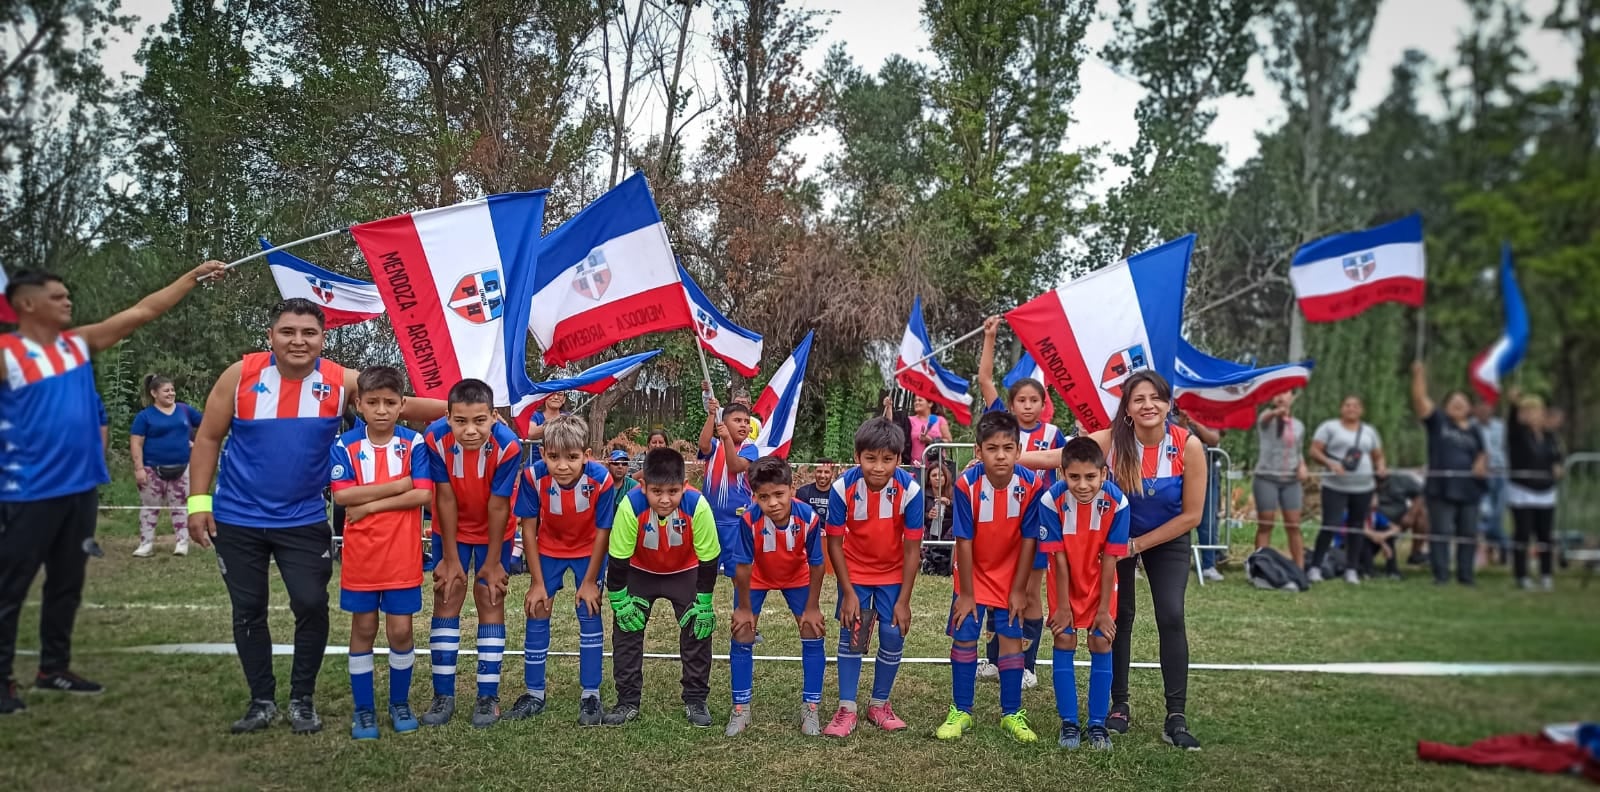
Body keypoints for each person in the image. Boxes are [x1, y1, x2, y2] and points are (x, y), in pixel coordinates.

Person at [186, 298, 444, 735]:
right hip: (238, 516)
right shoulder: (240, 375)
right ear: (271, 336)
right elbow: (208, 437)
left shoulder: (340, 380)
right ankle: (261, 700)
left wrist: (471, 416)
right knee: (248, 609)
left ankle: (302, 699)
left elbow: (403, 405)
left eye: (309, 333)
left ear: (323, 339)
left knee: (310, 604)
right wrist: (198, 502)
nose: (298, 341)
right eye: (288, 332)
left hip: (302, 518)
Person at [0, 261, 224, 716]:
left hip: (80, 490)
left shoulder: (76, 344)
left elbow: (142, 312)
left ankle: (53, 668)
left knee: (66, 583)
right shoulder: (6, 354)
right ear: (25, 304)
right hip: (25, 492)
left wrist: (191, 278)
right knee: (10, 588)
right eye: (57, 295)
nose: (67, 301)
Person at [1017, 370, 1205, 750]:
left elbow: (1192, 516)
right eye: (1138, 399)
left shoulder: (1189, 446)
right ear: (1128, 409)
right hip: (1116, 538)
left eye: (1155, 397)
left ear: (1168, 403)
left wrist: (1138, 546)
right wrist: (1006, 456)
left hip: (1164, 539)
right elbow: (1062, 456)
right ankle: (1118, 706)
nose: (1148, 405)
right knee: (1118, 617)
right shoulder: (1113, 440)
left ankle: (1176, 716)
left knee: (1170, 615)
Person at [329, 366, 433, 740]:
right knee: (364, 628)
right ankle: (363, 710)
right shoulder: (345, 446)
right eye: (373, 402)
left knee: (401, 631)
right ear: (359, 404)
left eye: (390, 402)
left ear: (402, 405)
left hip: (402, 556)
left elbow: (423, 493)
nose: (382, 409)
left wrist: (370, 505)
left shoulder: (414, 443)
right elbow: (343, 495)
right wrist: (400, 485)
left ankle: (398, 702)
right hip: (362, 558)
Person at [937, 410, 1052, 744]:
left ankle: (1012, 713)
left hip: (1011, 576)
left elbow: (1031, 539)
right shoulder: (965, 485)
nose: (1000, 455)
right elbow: (964, 539)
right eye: (992, 448)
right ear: (978, 451)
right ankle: (961, 710)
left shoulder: (1031, 485)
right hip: (973, 575)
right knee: (965, 634)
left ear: (1018, 450)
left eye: (1007, 448)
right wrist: (968, 593)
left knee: (1011, 640)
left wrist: (1021, 590)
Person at [419, 379, 522, 728]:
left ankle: (487, 696)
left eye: (479, 420)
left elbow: (498, 506)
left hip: (495, 530)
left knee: (490, 597)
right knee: (447, 596)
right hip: (451, 529)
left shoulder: (508, 446)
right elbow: (443, 498)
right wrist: (449, 558)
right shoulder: (434, 438)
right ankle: (443, 695)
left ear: (494, 417)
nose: (470, 430)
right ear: (447, 417)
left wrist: (493, 564)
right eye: (460, 421)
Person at [510, 415, 617, 726]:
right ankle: (534, 693)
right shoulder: (532, 478)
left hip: (589, 550)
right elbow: (528, 530)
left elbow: (603, 532)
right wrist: (536, 582)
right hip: (549, 549)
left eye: (572, 457)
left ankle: (591, 695)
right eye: (554, 457)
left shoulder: (602, 480)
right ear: (543, 454)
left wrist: (589, 582)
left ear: (587, 455)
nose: (563, 466)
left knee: (589, 607)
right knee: (538, 607)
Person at [976, 315, 1064, 688]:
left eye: (1034, 401)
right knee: (999, 589)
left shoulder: (1054, 433)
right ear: (1010, 405)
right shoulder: (1002, 427)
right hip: (1002, 522)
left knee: (1030, 592)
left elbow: (1062, 465)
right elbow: (984, 380)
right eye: (1021, 400)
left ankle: (1027, 664)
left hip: (1037, 521)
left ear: (1044, 405)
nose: (1027, 406)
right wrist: (991, 337)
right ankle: (996, 659)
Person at [603, 448, 720, 728]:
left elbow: (709, 558)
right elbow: (618, 560)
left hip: (685, 571)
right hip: (641, 571)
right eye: (656, 491)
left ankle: (695, 698)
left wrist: (704, 602)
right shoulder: (630, 506)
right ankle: (627, 701)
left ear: (685, 485)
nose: (665, 499)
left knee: (697, 627)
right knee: (627, 630)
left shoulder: (698, 504)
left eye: (673, 491)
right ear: (643, 485)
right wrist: (619, 601)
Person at [821, 417, 924, 737]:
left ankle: (879, 704)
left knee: (893, 634)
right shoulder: (843, 487)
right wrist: (848, 591)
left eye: (888, 459)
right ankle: (846, 708)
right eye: (871, 458)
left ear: (899, 458)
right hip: (855, 572)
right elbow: (834, 544)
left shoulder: (911, 490)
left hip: (893, 575)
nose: (879, 467)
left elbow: (912, 550)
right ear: (857, 456)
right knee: (854, 635)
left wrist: (904, 600)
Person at [725, 456, 827, 736]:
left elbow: (817, 563)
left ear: (792, 489)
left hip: (796, 576)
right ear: (755, 496)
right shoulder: (749, 520)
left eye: (779, 494)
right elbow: (743, 566)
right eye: (764, 497)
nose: (773, 503)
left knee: (812, 628)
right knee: (743, 630)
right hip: (758, 575)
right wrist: (744, 609)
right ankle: (740, 708)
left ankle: (811, 707)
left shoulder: (808, 517)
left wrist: (813, 606)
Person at [1040, 436, 1130, 751]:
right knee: (1064, 637)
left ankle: (1096, 724)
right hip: (1064, 580)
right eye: (1074, 477)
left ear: (1103, 474)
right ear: (1063, 473)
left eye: (1090, 477)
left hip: (1100, 581)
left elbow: (1111, 559)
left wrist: (1104, 610)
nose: (1082, 484)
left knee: (1101, 639)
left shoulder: (1118, 503)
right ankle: (1069, 722)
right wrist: (1063, 607)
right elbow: (1059, 558)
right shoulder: (1051, 501)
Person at [1409, 362, 1488, 586]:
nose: (1458, 404)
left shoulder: (1474, 430)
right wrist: (1418, 376)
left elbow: (1482, 453)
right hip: (1441, 488)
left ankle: (1466, 576)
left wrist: (1481, 464)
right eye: (1454, 401)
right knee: (1441, 532)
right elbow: (1420, 401)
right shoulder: (1438, 422)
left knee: (1468, 533)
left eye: (1463, 402)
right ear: (1445, 406)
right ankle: (1441, 575)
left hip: (1469, 489)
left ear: (1470, 407)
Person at [1309, 394, 1387, 583]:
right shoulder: (1329, 427)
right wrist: (1330, 463)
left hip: (1363, 487)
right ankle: (1315, 566)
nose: (1351, 408)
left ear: (1361, 410)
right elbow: (1314, 450)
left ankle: (1351, 568)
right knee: (1330, 524)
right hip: (1335, 486)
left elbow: (1378, 455)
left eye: (1355, 406)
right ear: (1341, 408)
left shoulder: (1369, 431)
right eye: (1347, 405)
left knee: (1357, 527)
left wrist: (1381, 468)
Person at [129, 373, 204, 558]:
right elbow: (136, 442)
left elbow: (208, 424)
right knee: (149, 508)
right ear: (154, 393)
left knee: (181, 506)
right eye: (166, 390)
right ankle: (146, 544)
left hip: (182, 468)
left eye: (172, 390)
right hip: (152, 470)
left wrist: (198, 443)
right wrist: (139, 468)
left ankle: (182, 543)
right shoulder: (144, 416)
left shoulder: (184, 410)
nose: (171, 393)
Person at [1504, 389, 1563, 591]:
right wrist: (1513, 405)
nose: (1533, 415)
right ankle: (1522, 575)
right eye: (1528, 411)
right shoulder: (1518, 435)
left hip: (1546, 491)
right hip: (1523, 490)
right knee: (1523, 534)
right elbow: (1511, 425)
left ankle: (1546, 574)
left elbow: (1556, 455)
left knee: (1545, 535)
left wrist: (1557, 465)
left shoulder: (1549, 436)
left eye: (1537, 411)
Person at [698, 391, 758, 579]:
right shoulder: (715, 446)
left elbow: (734, 466)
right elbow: (703, 445)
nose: (743, 425)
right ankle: (703, 607)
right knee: (705, 573)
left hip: (736, 522)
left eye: (746, 422)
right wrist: (711, 415)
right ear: (722, 424)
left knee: (738, 574)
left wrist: (727, 439)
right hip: (709, 520)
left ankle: (741, 608)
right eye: (737, 420)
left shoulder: (750, 449)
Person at [1253, 391, 1309, 567]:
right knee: (1266, 524)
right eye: (1277, 393)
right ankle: (1259, 567)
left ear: (1292, 398)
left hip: (1291, 480)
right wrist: (1276, 413)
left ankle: (1299, 568)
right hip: (1266, 478)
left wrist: (1302, 465)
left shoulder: (1298, 425)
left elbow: (1298, 450)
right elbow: (1265, 420)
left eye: (1286, 394)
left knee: (1293, 524)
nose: (1281, 397)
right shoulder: (1266, 417)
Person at [1179, 412, 1225, 582]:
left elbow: (1213, 440)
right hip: (1177, 470)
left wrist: (1195, 421)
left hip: (1207, 470)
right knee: (1177, 517)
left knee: (1207, 519)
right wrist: (1182, 423)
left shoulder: (1205, 407)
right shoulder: (1168, 407)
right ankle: (1177, 562)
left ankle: (1209, 564)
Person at [1473, 399, 1510, 567]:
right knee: (1482, 513)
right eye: (1481, 406)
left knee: (1496, 515)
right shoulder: (1470, 427)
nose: (1484, 410)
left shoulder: (1501, 427)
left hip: (1500, 475)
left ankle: (1502, 549)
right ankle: (1492, 549)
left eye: (1487, 406)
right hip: (1479, 477)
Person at [920, 461, 955, 576]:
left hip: (948, 530)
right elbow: (916, 515)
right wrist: (927, 515)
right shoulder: (923, 495)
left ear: (946, 477)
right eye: (934, 475)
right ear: (929, 479)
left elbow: (961, 513)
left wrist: (949, 503)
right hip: (930, 529)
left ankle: (944, 559)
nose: (938, 478)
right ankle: (927, 560)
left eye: (941, 475)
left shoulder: (954, 492)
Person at [525, 390, 569, 465]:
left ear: (564, 399)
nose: (555, 397)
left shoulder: (568, 417)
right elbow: (531, 434)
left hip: (561, 463)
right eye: (551, 394)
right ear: (544, 397)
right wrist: (554, 421)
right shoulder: (535, 415)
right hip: (536, 462)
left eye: (560, 394)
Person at [906, 396, 951, 467]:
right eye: (915, 401)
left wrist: (931, 441)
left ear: (930, 404)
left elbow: (949, 441)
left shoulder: (940, 420)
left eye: (920, 400)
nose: (916, 403)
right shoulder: (909, 420)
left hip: (937, 467)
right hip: (916, 466)